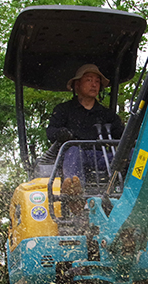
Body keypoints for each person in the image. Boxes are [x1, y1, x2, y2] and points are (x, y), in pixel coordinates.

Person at [46, 64, 124, 202]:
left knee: (130, 154)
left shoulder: (107, 115)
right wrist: (61, 133)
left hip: (101, 157)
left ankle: (144, 191)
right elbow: (51, 132)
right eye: (89, 80)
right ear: (77, 85)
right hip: (75, 156)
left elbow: (124, 136)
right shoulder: (64, 110)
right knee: (72, 150)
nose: (94, 84)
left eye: (97, 81)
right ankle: (74, 195)